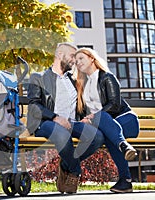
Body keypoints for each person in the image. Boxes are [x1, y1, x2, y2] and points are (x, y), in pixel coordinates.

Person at [27, 42, 105, 194]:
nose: (74, 61)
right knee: (61, 133)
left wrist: (86, 117)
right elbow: (34, 106)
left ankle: (65, 165)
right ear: (59, 55)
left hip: (71, 123)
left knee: (97, 136)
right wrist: (55, 117)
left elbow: (81, 103)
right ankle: (74, 172)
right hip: (46, 123)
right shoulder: (39, 77)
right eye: (71, 56)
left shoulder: (73, 80)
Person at [74, 47, 139, 193]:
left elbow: (115, 104)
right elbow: (81, 111)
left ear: (92, 58)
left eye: (81, 58)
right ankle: (125, 179)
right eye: (76, 61)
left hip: (126, 120)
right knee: (108, 135)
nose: (77, 62)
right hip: (106, 128)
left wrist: (94, 117)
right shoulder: (82, 85)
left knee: (102, 117)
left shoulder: (107, 77)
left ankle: (123, 149)